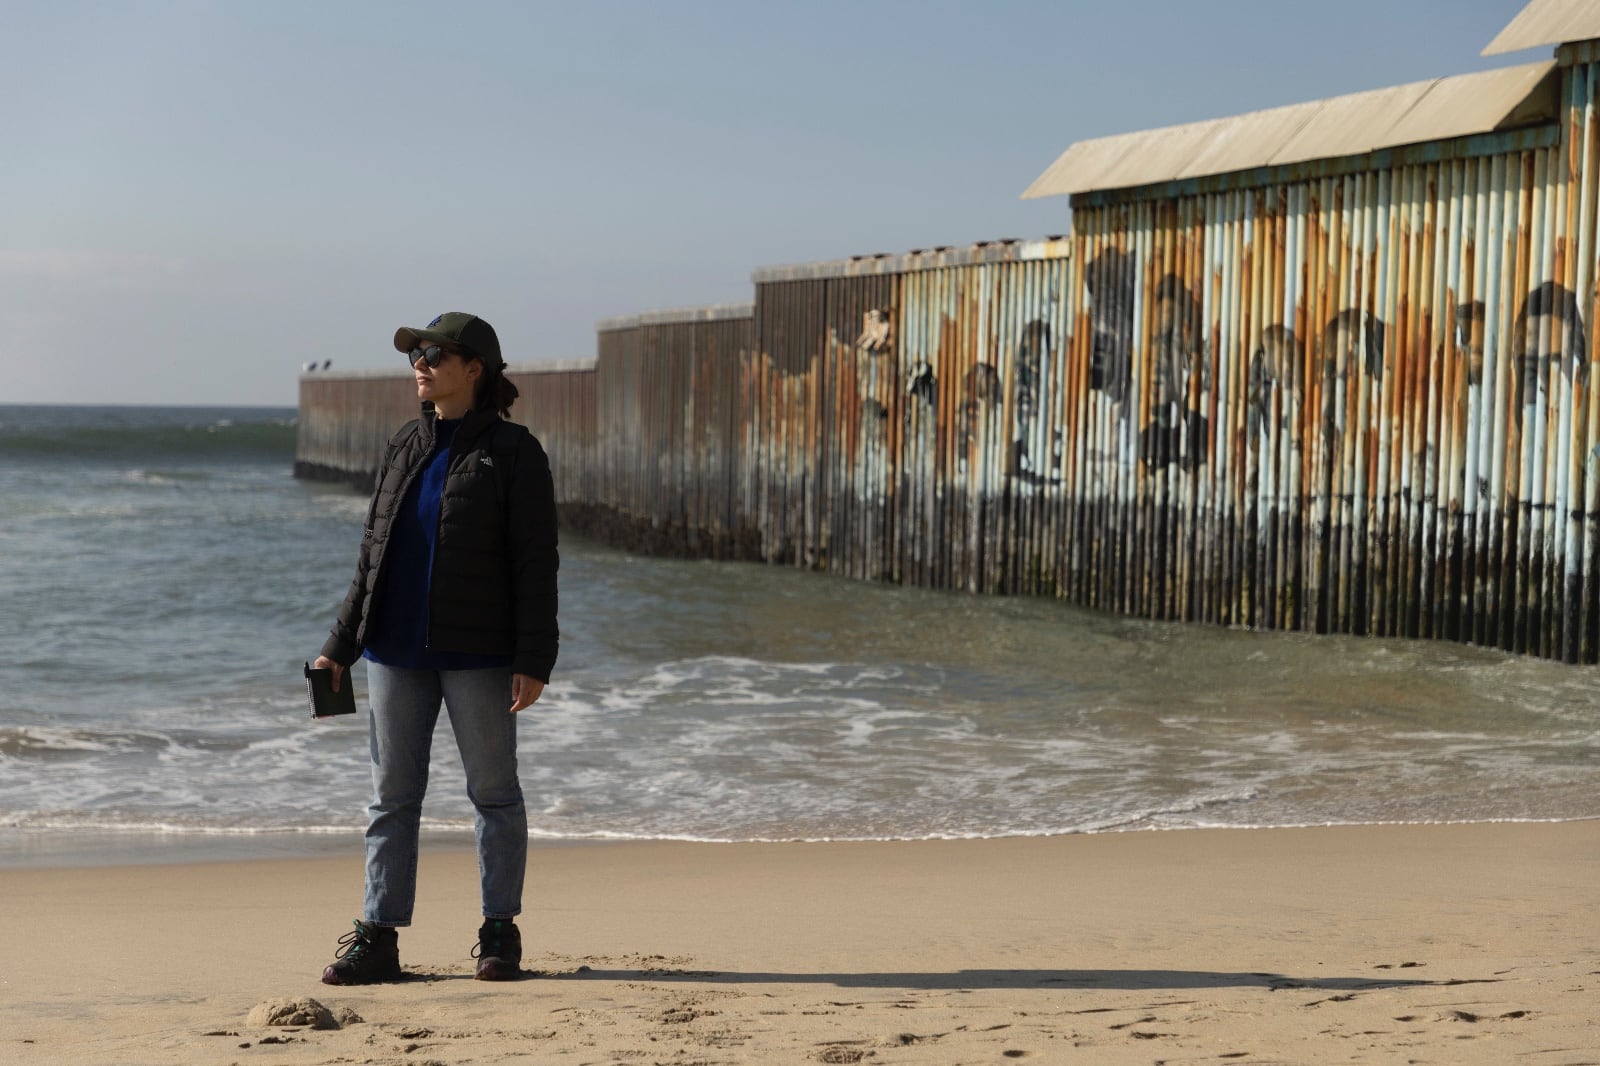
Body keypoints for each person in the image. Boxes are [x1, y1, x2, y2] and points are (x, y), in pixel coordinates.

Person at [312, 311, 558, 984]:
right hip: (395, 651)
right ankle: (379, 937)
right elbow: (371, 555)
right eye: (415, 354)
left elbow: (537, 564)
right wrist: (340, 645)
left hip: (479, 653)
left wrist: (535, 658)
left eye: (434, 354)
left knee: (494, 794)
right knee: (391, 797)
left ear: (474, 368)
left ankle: (499, 931)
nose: (419, 363)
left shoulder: (515, 453)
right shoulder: (402, 446)